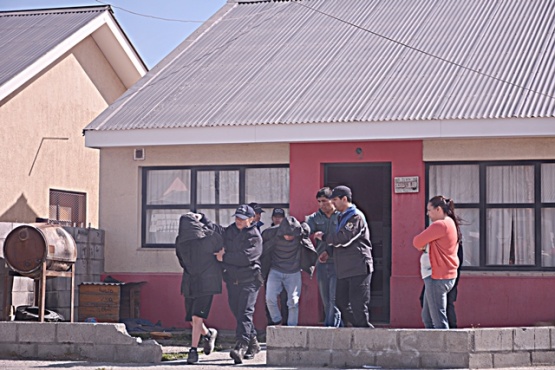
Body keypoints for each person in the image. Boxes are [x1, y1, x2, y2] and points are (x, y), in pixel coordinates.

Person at [200, 205, 263, 364]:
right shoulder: (231, 231)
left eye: (242, 218)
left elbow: (245, 258)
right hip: (233, 281)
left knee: (245, 313)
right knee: (238, 312)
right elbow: (218, 231)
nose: (238, 221)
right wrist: (204, 220)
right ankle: (253, 342)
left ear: (251, 219)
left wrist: (225, 257)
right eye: (237, 217)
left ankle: (240, 347)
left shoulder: (254, 237)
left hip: (250, 280)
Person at [314, 185, 374, 328]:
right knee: (340, 302)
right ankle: (360, 328)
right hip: (344, 268)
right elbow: (338, 240)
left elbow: (344, 238)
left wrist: (323, 237)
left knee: (358, 304)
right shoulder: (342, 217)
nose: (332, 203)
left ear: (344, 199)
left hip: (359, 267)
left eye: (335, 200)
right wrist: (328, 251)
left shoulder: (355, 217)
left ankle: (364, 335)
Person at [175, 212, 222, 364]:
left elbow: (181, 261)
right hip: (198, 281)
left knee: (196, 317)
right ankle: (208, 334)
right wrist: (204, 219)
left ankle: (193, 350)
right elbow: (220, 237)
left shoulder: (179, 241)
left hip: (202, 282)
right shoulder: (208, 237)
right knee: (192, 319)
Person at [413, 195, 461, 329]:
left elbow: (416, 241)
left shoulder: (440, 225)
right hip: (445, 275)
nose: (427, 213)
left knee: (438, 319)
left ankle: (444, 348)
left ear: (438, 209)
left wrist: (423, 245)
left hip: (437, 276)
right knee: (427, 317)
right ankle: (433, 346)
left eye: (429, 210)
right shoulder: (450, 222)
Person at [261, 216, 317, 326]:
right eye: (287, 234)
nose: (290, 237)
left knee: (293, 301)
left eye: (292, 235)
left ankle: (292, 328)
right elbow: (263, 236)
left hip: (294, 272)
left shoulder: (300, 234)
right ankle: (276, 321)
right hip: (275, 270)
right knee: (270, 298)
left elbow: (307, 228)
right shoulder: (272, 233)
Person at [306, 187, 341, 327]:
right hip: (321, 262)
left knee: (334, 298)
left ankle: (331, 328)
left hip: (338, 262)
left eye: (324, 201)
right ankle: (333, 327)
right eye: (319, 202)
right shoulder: (315, 218)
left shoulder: (341, 216)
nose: (322, 205)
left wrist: (330, 251)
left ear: (332, 201)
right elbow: (306, 232)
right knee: (325, 299)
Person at [419, 240, 463, 328]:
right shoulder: (440, 244)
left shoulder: (452, 245)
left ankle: (449, 336)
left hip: (443, 278)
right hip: (436, 277)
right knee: (428, 314)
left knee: (442, 312)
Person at [263, 208, 288, 325]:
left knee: (286, 299)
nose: (278, 219)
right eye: (275, 217)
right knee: (269, 300)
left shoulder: (289, 232)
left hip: (286, 269)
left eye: (280, 217)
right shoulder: (267, 233)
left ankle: (285, 325)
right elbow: (262, 250)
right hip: (269, 269)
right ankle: (272, 324)